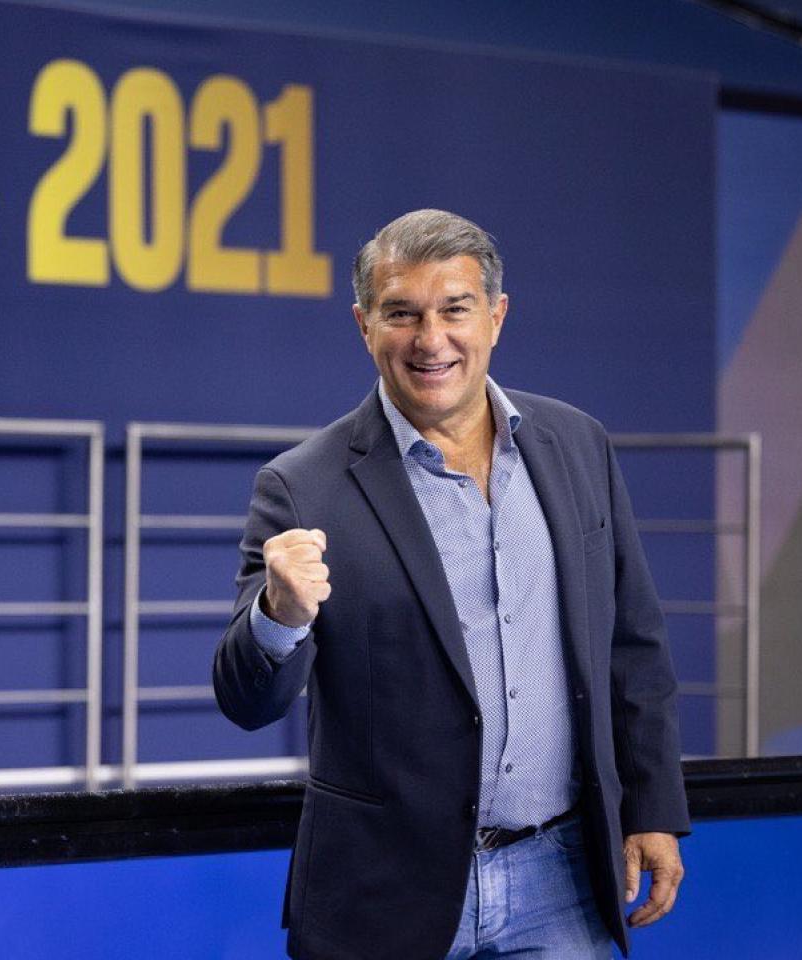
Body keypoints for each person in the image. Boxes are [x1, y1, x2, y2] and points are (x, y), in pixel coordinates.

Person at [213, 210, 689, 959]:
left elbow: (632, 643)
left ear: (495, 317)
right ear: (364, 325)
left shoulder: (575, 443)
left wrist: (653, 808)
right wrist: (281, 613)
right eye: (401, 313)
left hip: (561, 880)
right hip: (384, 895)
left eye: (454, 310)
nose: (430, 340)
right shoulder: (301, 486)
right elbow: (246, 700)